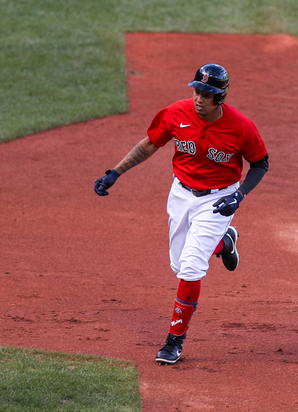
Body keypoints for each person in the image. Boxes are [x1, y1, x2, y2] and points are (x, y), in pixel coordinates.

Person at [94, 64, 268, 365]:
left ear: (221, 96)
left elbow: (260, 163)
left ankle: (174, 341)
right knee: (179, 263)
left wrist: (238, 196)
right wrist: (115, 173)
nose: (200, 98)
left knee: (190, 269)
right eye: (197, 91)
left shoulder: (241, 126)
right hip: (180, 194)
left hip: (218, 199)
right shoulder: (176, 112)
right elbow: (150, 144)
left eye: (207, 94)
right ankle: (224, 241)